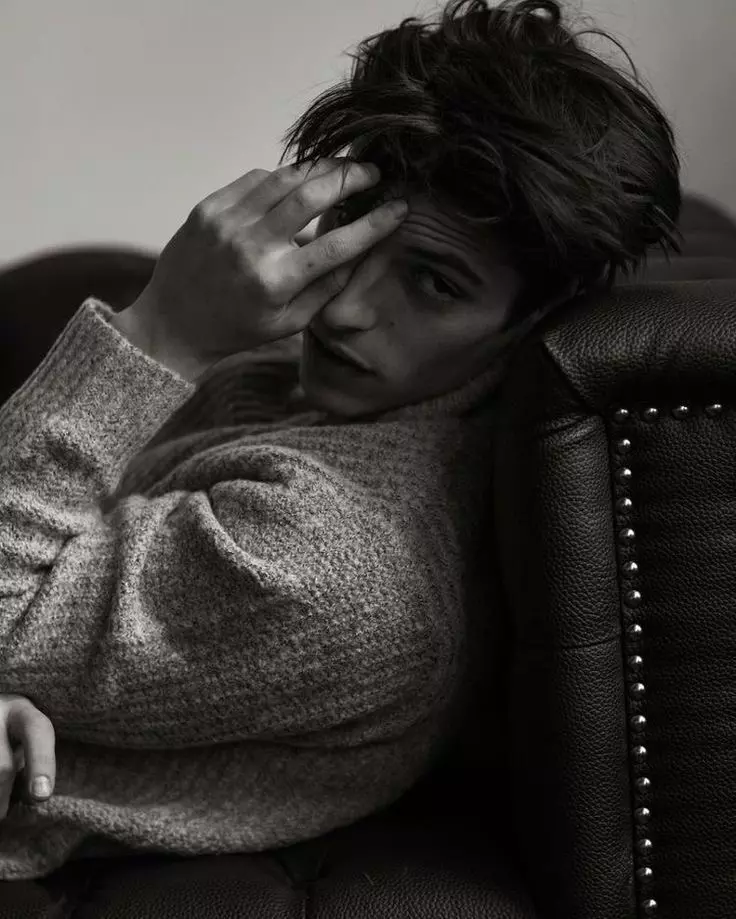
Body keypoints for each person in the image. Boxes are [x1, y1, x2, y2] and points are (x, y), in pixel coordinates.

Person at [0, 0, 682, 880]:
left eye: (434, 283)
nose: (345, 307)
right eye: (352, 234)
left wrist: (160, 330)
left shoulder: (332, 555)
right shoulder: (319, 388)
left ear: (532, 319)